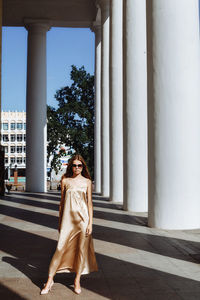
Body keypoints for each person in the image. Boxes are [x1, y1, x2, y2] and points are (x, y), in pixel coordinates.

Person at [40, 154, 98, 295]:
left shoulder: (87, 182)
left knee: (81, 250)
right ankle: (49, 280)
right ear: (70, 166)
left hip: (83, 221)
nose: (77, 168)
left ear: (83, 167)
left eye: (80, 165)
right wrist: (60, 222)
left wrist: (90, 223)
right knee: (60, 248)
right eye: (74, 165)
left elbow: (89, 204)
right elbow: (61, 204)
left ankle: (77, 280)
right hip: (67, 221)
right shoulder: (65, 180)